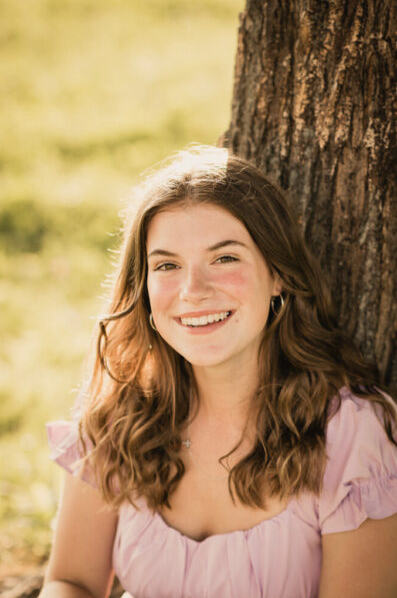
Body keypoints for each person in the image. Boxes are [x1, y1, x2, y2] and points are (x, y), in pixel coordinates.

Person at [40, 146, 397, 598]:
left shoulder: (353, 438)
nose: (193, 291)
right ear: (144, 290)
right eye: (167, 265)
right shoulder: (119, 412)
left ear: (278, 274)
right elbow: (71, 582)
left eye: (224, 258)